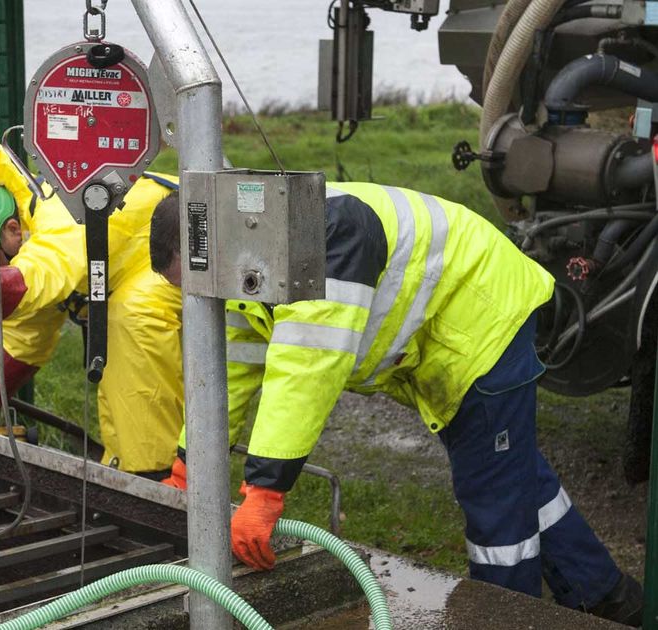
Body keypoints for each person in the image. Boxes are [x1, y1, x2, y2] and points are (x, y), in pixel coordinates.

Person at [148, 183, 643, 625]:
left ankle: (505, 615)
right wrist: (192, 464)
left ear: (211, 251)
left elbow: (307, 368)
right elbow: (230, 373)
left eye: (185, 284)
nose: (190, 299)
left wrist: (265, 492)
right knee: (512, 473)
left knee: (494, 502)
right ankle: (607, 596)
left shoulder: (318, 241)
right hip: (449, 328)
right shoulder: (239, 258)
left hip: (483, 320)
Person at [0, 138, 184, 478]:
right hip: (143, 264)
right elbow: (25, 340)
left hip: (186, 251)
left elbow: (32, 281)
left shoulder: (61, 218)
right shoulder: (34, 226)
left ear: (12, 230)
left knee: (131, 316)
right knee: (121, 319)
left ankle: (158, 478)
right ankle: (129, 469)